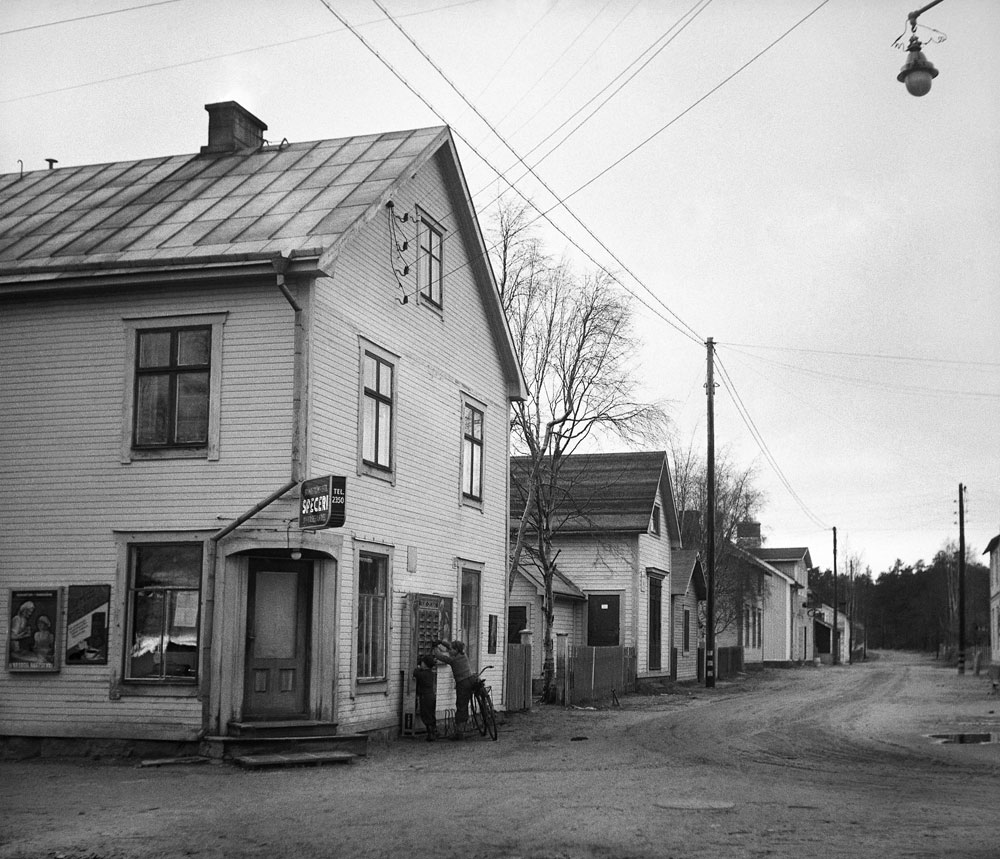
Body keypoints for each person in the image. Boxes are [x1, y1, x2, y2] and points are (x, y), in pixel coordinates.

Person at [433, 639, 477, 741]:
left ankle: (459, 733)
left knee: (461, 706)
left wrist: (434, 647)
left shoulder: (453, 660)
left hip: (462, 683)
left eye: (452, 649)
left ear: (456, 650)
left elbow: (439, 656)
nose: (449, 650)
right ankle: (463, 727)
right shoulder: (463, 654)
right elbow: (449, 646)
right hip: (470, 679)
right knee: (465, 705)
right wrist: (441, 642)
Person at [412, 654, 438, 742]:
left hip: (425, 696)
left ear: (425, 664)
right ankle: (434, 731)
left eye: (422, 662)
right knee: (431, 714)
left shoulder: (423, 674)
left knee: (425, 715)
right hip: (432, 695)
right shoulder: (431, 673)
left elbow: (415, 673)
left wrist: (418, 667)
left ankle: (431, 734)